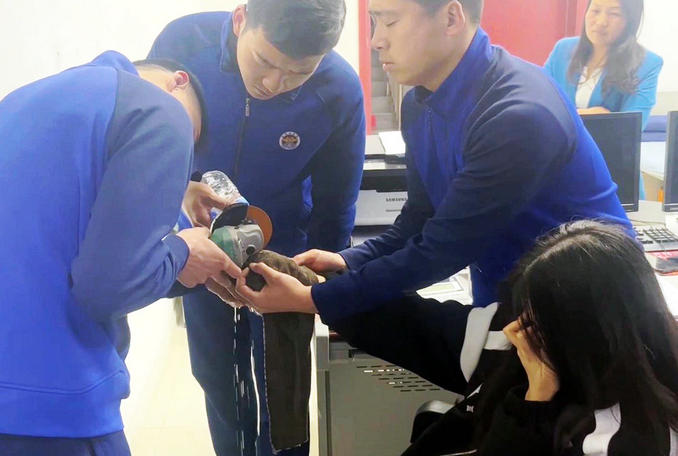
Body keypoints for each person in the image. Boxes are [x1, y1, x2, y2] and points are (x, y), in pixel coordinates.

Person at [235, 0, 630, 329]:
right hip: (511, 301)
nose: (376, 40)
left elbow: (443, 249)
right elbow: (420, 219)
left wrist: (313, 298)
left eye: (390, 22)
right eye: (374, 22)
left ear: (451, 17)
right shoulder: (419, 103)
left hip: (590, 312)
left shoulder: (517, 115)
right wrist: (349, 259)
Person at [147, 1, 365, 455]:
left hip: (283, 251)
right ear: (241, 19)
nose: (273, 83)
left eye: (298, 74)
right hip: (203, 243)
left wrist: (317, 289)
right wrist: (179, 193)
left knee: (282, 384)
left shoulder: (339, 90)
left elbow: (337, 201)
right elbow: (147, 140)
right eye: (264, 61)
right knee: (217, 376)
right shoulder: (183, 45)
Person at [0, 52, 237, 455]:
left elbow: (68, 235)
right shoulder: (162, 110)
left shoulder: (25, 100)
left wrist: (176, 196)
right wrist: (185, 250)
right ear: (178, 81)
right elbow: (109, 287)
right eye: (190, 136)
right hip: (53, 407)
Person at [322, 221, 678, 455]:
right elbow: (418, 327)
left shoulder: (623, 440)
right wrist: (324, 292)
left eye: (534, 324)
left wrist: (533, 403)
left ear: (581, 336)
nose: (514, 331)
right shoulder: (530, 346)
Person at [544, 0, 663, 129]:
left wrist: (564, 116)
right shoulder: (563, 49)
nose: (601, 22)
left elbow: (630, 128)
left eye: (614, 14)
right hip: (555, 140)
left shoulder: (647, 64)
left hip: (604, 143)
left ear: (630, 21)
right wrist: (588, 116)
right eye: (595, 11)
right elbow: (538, 103)